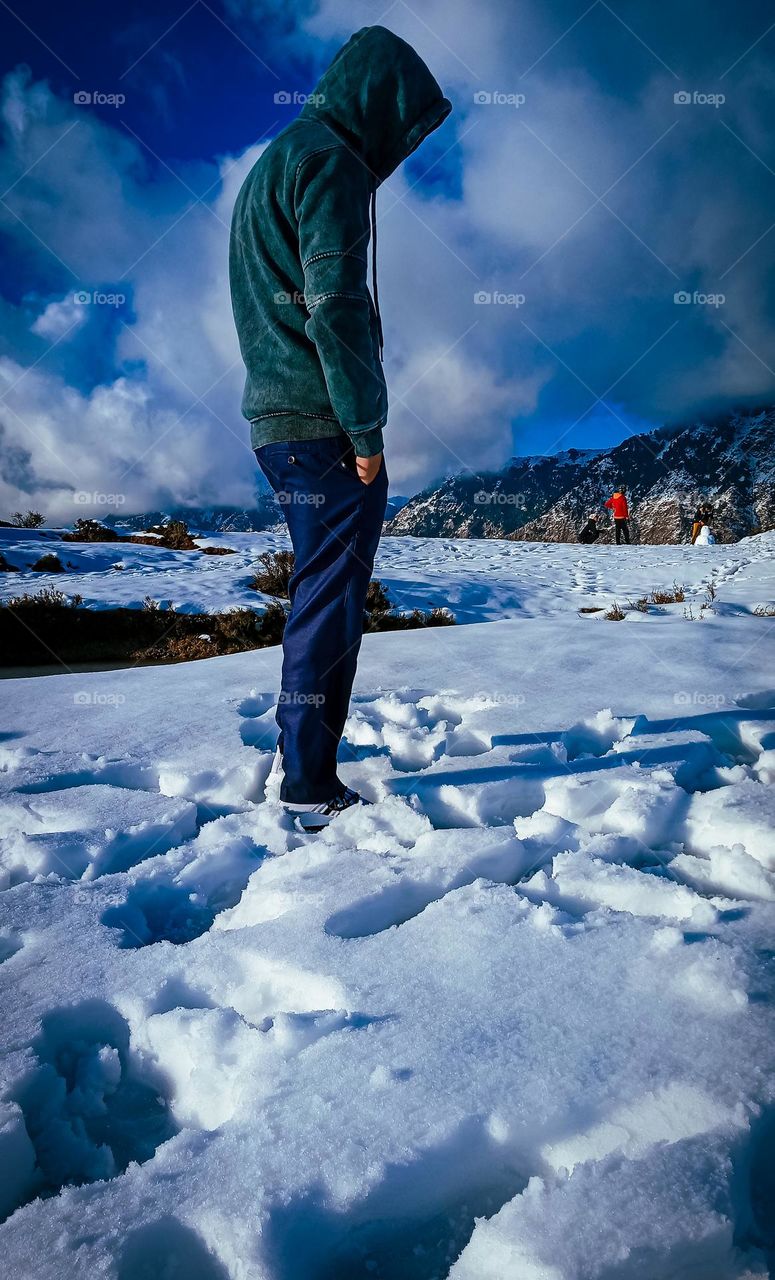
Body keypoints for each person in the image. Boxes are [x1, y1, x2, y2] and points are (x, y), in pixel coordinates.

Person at [229, 27, 451, 830]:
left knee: (318, 592)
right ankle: (310, 783)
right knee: (330, 600)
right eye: (403, 122)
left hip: (276, 420)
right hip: (325, 425)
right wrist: (364, 428)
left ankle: (305, 764)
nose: (399, 144)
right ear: (378, 101)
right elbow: (336, 305)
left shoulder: (276, 159)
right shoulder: (329, 161)